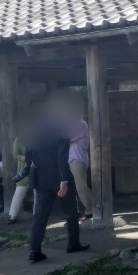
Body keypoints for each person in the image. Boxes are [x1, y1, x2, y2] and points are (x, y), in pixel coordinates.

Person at [25, 94, 90, 262]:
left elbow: (28, 153)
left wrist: (30, 169)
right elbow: (62, 156)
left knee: (40, 215)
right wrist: (64, 180)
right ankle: (73, 244)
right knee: (71, 212)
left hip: (41, 178)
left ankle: (34, 250)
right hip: (60, 180)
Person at [68, 113, 93, 222]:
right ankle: (73, 212)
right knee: (70, 189)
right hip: (70, 159)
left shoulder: (81, 124)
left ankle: (91, 211)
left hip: (77, 160)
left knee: (81, 187)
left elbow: (67, 138)